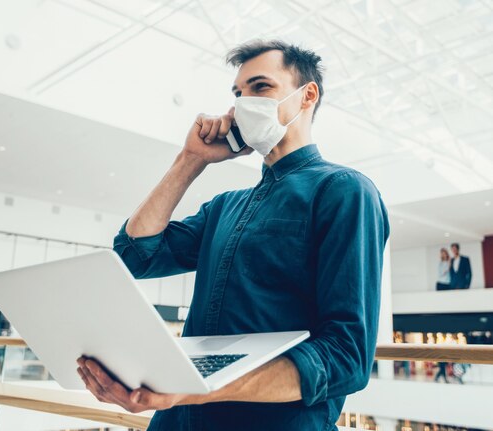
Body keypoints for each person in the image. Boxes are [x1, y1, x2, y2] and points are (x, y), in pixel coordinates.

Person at [76, 39, 390, 430]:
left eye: (261, 88)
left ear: (307, 95)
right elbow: (135, 255)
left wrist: (194, 388)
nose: (244, 104)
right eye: (238, 94)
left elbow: (345, 358)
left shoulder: (343, 190)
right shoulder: (226, 206)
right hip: (176, 420)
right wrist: (190, 159)